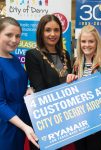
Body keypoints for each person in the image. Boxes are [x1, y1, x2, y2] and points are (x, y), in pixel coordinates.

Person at [25, 14, 72, 149]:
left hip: (64, 115)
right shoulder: (33, 55)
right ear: (41, 32)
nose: (53, 34)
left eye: (56, 30)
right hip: (45, 117)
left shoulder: (65, 54)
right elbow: (39, 89)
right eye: (48, 30)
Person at [66, 24, 101, 150]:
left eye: (91, 41)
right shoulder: (76, 64)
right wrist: (70, 80)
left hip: (97, 119)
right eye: (83, 41)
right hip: (79, 119)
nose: (86, 45)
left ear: (97, 42)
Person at [0, 17, 39, 150]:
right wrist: (23, 126)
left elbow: (17, 83)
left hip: (21, 119)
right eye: (9, 35)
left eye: (18, 36)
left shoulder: (14, 58)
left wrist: (29, 88)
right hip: (6, 122)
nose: (14, 40)